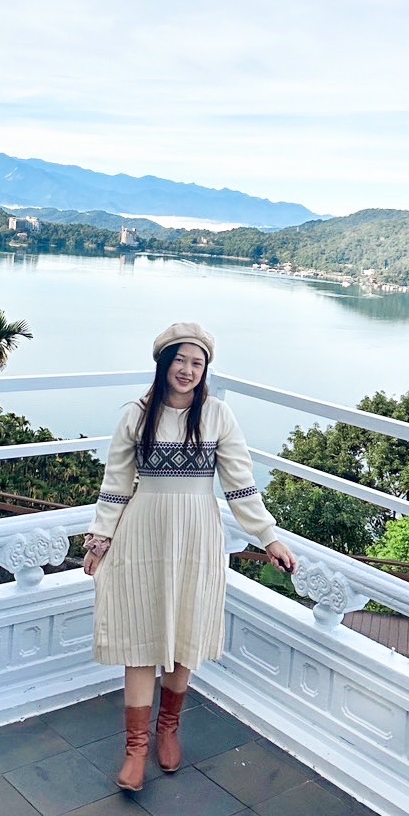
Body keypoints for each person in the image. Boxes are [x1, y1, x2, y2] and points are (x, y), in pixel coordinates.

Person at [82, 322, 295, 791]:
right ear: (163, 363)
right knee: (139, 633)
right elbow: (116, 484)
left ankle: (168, 730)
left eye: (197, 363)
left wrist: (269, 537)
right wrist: (100, 539)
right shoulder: (137, 416)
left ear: (206, 370)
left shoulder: (218, 415)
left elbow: (240, 484)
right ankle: (135, 749)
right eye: (180, 360)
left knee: (185, 629)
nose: (188, 370)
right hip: (143, 531)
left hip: (197, 532)